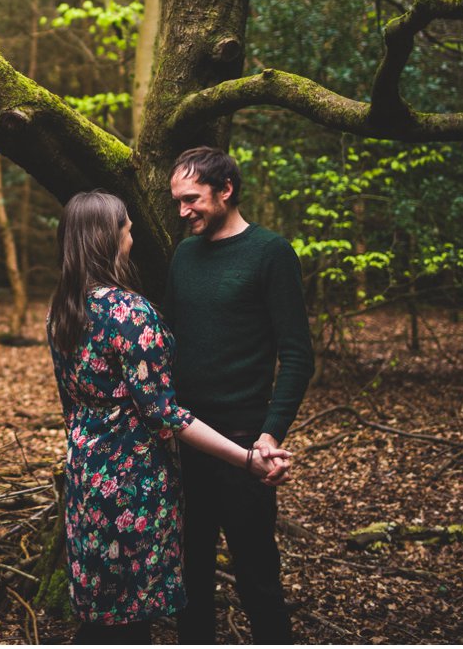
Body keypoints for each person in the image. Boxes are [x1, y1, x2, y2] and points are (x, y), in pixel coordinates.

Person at [47, 190, 288, 645]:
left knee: (105, 614)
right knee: (129, 620)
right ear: (108, 237)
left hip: (84, 477)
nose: (133, 234)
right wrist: (245, 459)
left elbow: (71, 406)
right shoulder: (128, 312)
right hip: (132, 484)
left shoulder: (62, 311)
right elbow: (164, 413)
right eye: (127, 226)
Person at [165, 146, 315, 644]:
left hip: (245, 445)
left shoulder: (271, 253)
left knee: (257, 576)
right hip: (184, 443)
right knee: (189, 579)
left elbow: (297, 355)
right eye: (178, 201)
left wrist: (270, 436)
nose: (183, 211)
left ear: (225, 190)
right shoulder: (184, 254)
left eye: (192, 199)